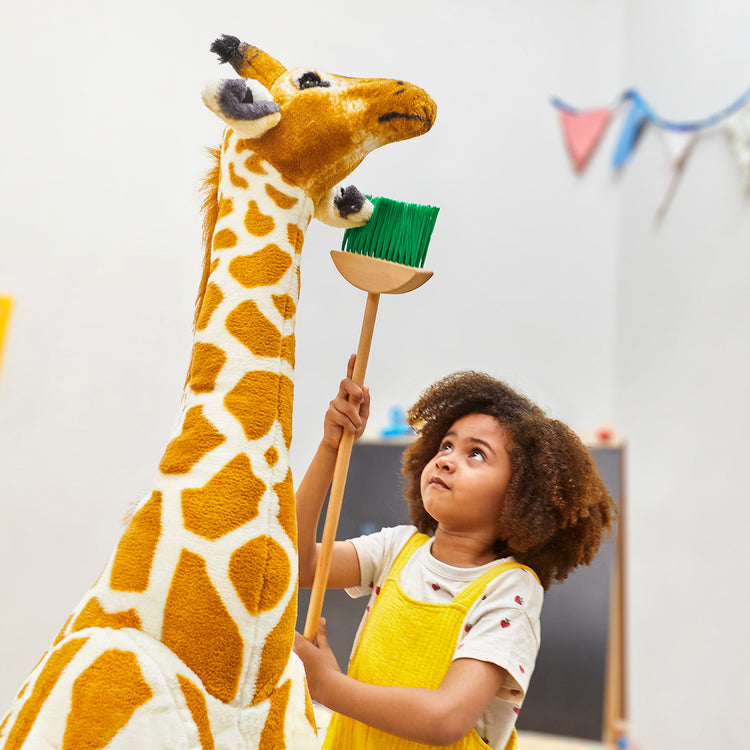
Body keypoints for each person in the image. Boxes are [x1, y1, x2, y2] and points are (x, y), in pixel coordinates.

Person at [293, 356, 615, 750]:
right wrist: (331, 447)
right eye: (446, 444)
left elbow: (445, 720)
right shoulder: (396, 548)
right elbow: (300, 563)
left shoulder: (509, 590)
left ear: (521, 495)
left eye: (475, 453)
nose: (446, 459)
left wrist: (329, 687)